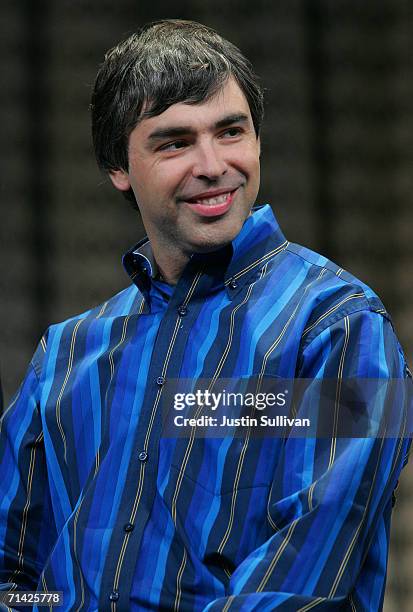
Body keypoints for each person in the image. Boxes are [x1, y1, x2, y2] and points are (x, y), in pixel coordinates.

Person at [0, 19, 411, 612]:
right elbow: (13, 568)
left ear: (258, 141)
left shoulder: (342, 326)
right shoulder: (63, 356)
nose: (214, 164)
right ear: (119, 166)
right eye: (174, 142)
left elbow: (306, 578)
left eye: (230, 132)